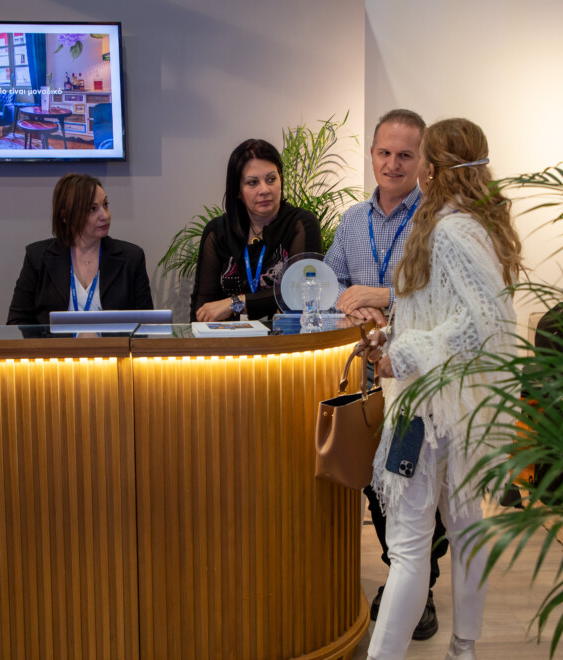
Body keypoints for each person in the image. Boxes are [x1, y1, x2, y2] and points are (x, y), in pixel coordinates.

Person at [363, 118, 521, 660]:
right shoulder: (476, 225)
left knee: (408, 549)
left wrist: (401, 355)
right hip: (460, 409)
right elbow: (446, 311)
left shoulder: (452, 230)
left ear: (432, 168)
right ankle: (463, 650)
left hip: (430, 412)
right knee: (465, 530)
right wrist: (391, 334)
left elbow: (481, 322)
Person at [325, 108, 447, 641]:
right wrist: (350, 303)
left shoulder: (438, 221)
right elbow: (330, 280)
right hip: (368, 375)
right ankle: (402, 575)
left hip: (419, 377)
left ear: (422, 162)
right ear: (372, 154)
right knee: (379, 485)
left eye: (405, 155)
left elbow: (442, 292)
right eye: (384, 152)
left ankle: (422, 588)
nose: (392, 164)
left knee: (415, 483)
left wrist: (385, 296)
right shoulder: (353, 220)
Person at [190, 139, 321, 322]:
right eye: (252, 183)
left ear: (281, 180)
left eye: (271, 179)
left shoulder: (300, 224)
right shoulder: (218, 232)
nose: (264, 190)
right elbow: (203, 306)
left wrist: (235, 303)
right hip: (228, 337)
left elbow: (299, 292)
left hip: (286, 336)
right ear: (238, 190)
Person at [7, 173, 153, 325]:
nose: (105, 215)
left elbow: (147, 324)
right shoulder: (37, 258)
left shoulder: (132, 258)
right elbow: (17, 322)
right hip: (55, 342)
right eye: (92, 209)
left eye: (105, 205)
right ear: (66, 216)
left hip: (113, 342)